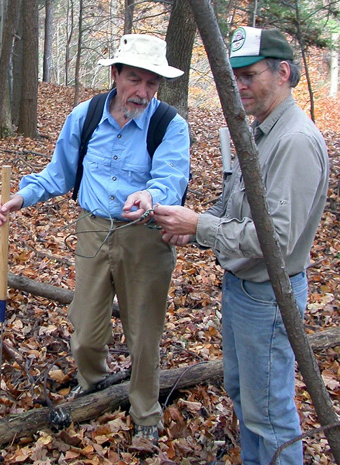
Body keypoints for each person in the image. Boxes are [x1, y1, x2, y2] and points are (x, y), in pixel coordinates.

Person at [0, 34, 190, 444]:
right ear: (115, 74)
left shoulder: (168, 125)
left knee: (143, 333)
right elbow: (59, 173)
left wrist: (150, 196)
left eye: (152, 83)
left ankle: (145, 413)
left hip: (147, 236)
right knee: (84, 328)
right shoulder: (85, 115)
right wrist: (21, 197)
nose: (143, 92)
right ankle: (95, 382)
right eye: (135, 79)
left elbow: (172, 178)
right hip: (94, 229)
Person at [152, 26, 329, 464]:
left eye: (250, 75)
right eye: (235, 77)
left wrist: (202, 225)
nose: (241, 86)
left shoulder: (295, 141)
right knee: (246, 399)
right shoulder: (259, 132)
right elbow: (238, 210)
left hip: (269, 298)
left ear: (283, 71)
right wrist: (193, 228)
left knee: (269, 416)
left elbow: (278, 242)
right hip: (243, 289)